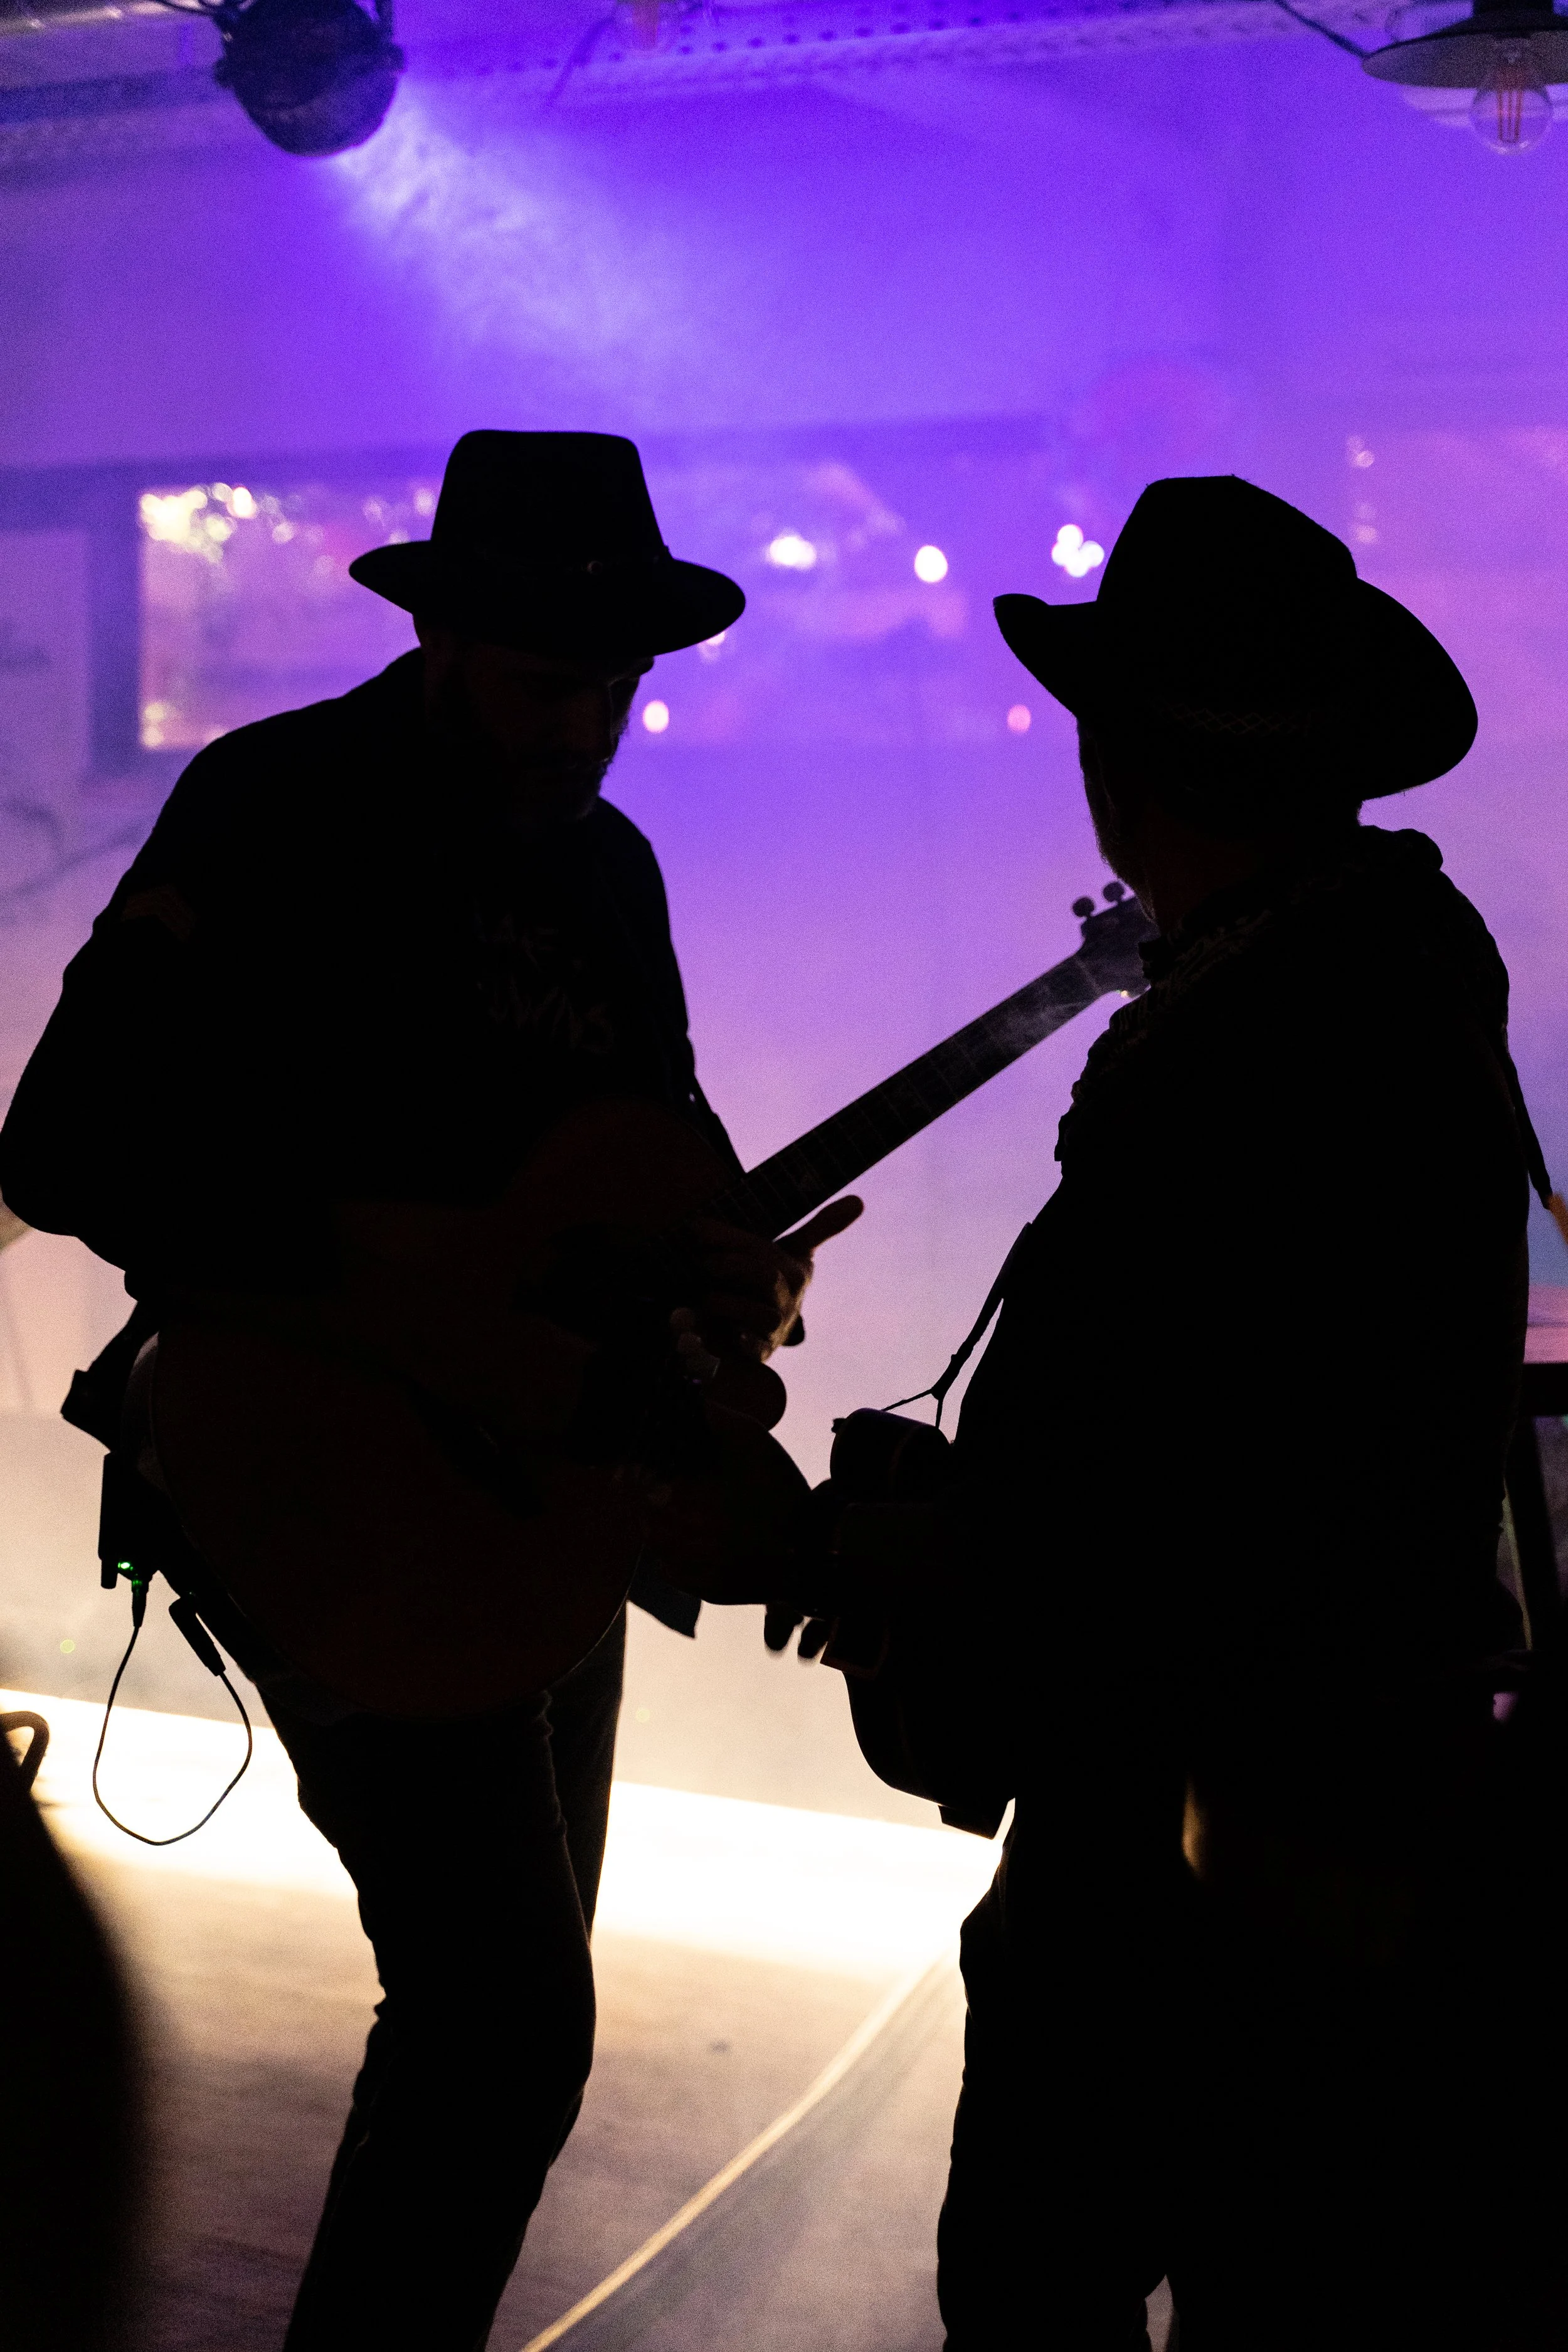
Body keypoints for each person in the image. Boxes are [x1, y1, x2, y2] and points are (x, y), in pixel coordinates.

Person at [0, 430, 857, 2351]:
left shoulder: (605, 875)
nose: (586, 729)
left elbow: (654, 1152)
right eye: (549, 681)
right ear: (445, 639)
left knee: (506, 2020)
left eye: (614, 688)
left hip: (542, 1481)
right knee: (504, 2021)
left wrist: (733, 1266)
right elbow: (67, 1146)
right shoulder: (279, 804)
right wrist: (411, 1273)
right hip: (320, 1461)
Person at [813, 476, 1568, 2348]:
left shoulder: (1257, 1041)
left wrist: (860, 1539)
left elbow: (1136, 1503)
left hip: (1182, 1839)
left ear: (1110, 763)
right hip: (1344, 1805)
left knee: (1041, 2281)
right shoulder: (1383, 973)